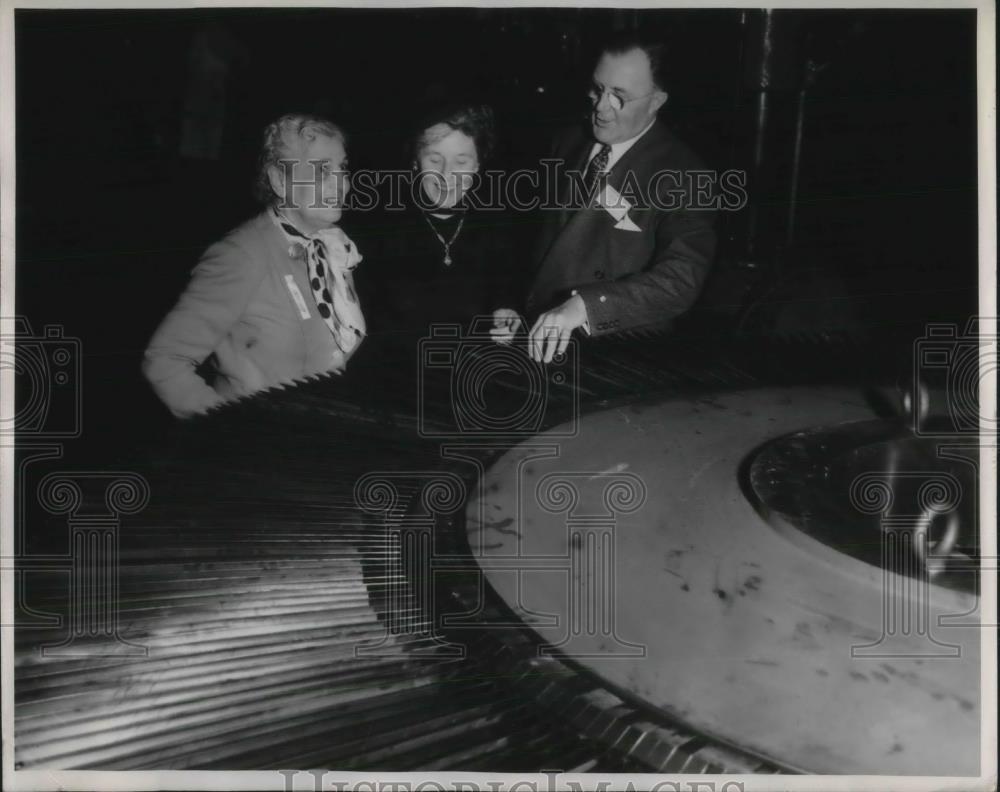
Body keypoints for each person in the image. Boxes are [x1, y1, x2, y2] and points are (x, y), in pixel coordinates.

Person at [491, 33, 717, 362]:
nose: (601, 108)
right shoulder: (565, 141)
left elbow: (681, 279)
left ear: (657, 100)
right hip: (537, 337)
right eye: (598, 89)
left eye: (619, 97)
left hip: (617, 355)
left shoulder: (686, 174)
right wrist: (508, 301)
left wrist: (585, 306)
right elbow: (529, 240)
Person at [143, 114, 365, 418]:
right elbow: (165, 361)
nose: (339, 183)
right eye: (321, 170)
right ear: (278, 179)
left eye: (341, 168)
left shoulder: (332, 250)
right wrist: (228, 429)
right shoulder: (243, 254)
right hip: (260, 449)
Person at [357, 103, 520, 346]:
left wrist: (507, 313)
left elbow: (507, 294)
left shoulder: (497, 224)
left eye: (461, 161)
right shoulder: (378, 228)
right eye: (435, 159)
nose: (446, 174)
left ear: (477, 165)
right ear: (416, 161)